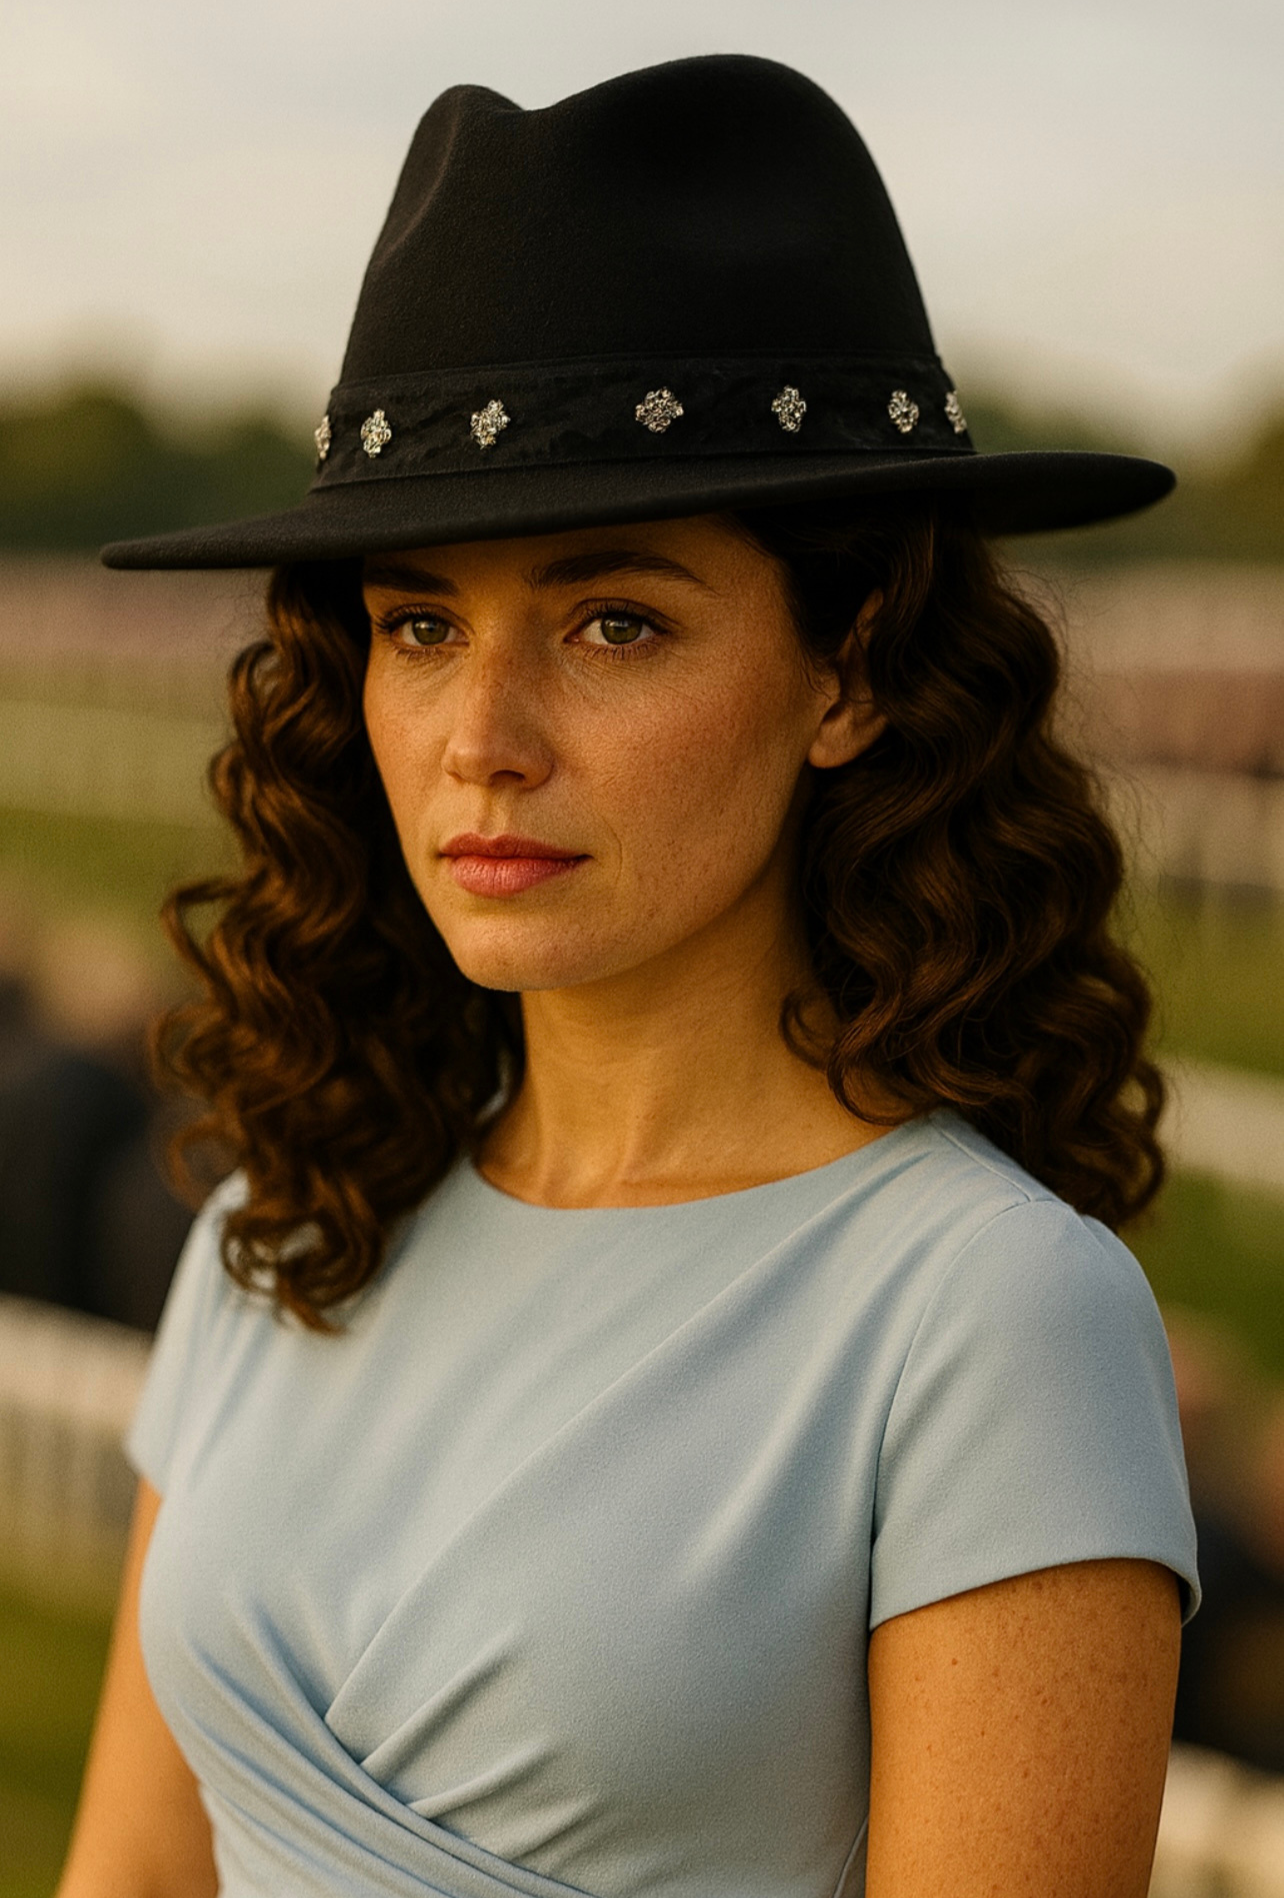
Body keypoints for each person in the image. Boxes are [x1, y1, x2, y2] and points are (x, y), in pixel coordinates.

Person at [59, 54, 1199, 1898]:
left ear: (852, 674)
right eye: (420, 623)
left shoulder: (987, 1322)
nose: (482, 738)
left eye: (614, 622)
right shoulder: (288, 1214)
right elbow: (131, 1868)